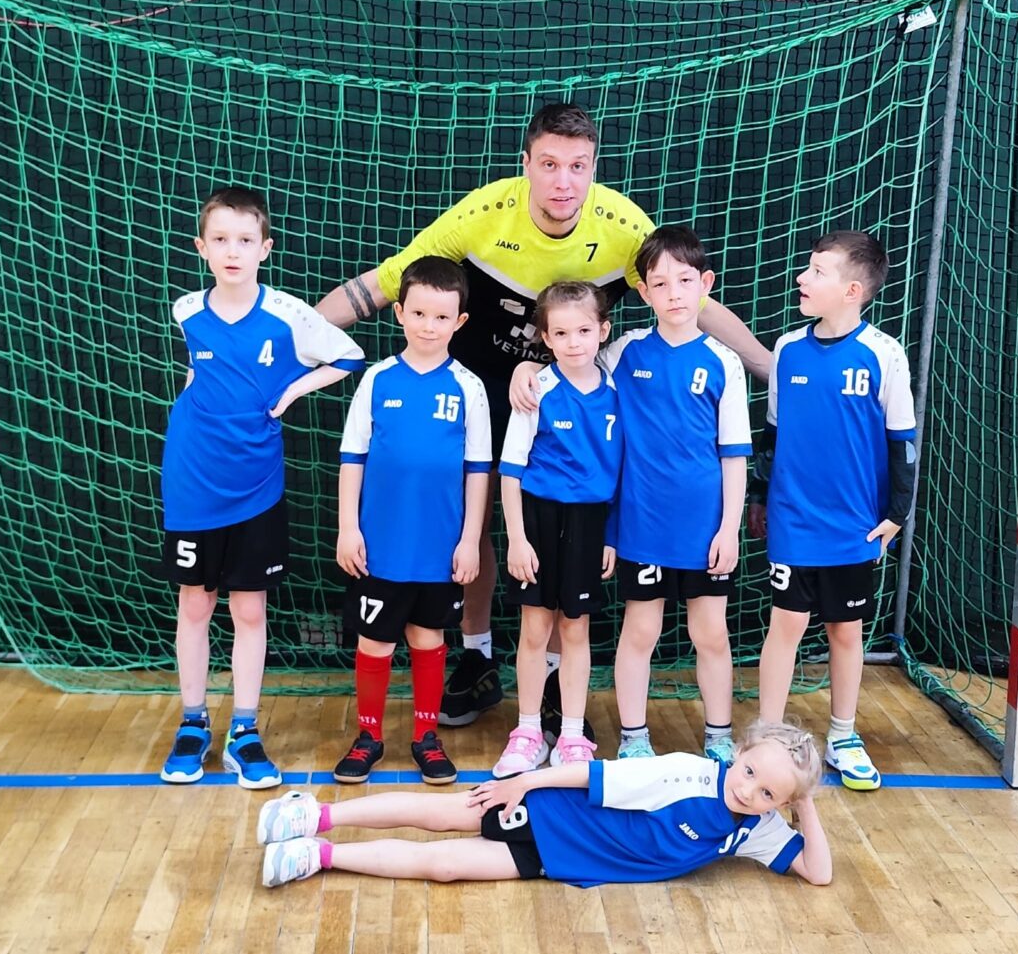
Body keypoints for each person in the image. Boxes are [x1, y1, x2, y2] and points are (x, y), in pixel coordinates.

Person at [313, 103, 772, 729]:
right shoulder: (481, 214)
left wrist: (768, 369)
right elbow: (384, 285)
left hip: (569, 391)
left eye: (578, 166)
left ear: (594, 169)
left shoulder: (623, 227)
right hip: (482, 387)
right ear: (525, 164)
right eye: (550, 165)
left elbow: (691, 302)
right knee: (472, 527)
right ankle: (477, 658)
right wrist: (292, 346)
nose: (563, 181)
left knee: (561, 530)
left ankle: (556, 680)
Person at [157, 187, 364, 788]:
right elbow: (199, 370)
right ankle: (193, 723)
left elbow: (348, 355)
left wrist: (292, 390)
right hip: (193, 479)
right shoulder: (185, 310)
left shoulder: (288, 314)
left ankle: (244, 731)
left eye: (245, 240)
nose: (232, 251)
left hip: (256, 484)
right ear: (201, 248)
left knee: (249, 608)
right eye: (220, 240)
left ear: (265, 249)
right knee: (195, 603)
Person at [253, 720, 833, 889]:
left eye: (768, 793)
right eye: (750, 771)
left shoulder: (756, 828)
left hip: (558, 860)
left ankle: (319, 855)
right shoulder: (687, 773)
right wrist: (524, 783)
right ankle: (317, 814)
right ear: (739, 753)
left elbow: (818, 872)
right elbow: (593, 774)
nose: (748, 791)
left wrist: (804, 803)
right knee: (440, 814)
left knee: (444, 866)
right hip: (551, 809)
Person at [749, 232, 918, 792]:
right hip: (793, 520)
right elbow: (772, 435)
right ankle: (769, 736)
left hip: (853, 525)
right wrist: (758, 497)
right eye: (807, 268)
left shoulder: (884, 353)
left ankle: (843, 736)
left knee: (846, 631)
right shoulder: (787, 348)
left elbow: (902, 442)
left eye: (817, 271)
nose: (802, 278)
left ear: (852, 290)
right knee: (786, 625)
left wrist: (897, 512)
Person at [331, 258, 491, 785]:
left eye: (441, 317)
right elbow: (352, 459)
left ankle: (426, 736)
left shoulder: (468, 387)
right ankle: (368, 737)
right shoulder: (377, 379)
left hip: (440, 548)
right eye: (419, 313)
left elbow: (477, 471)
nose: (428, 325)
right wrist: (348, 528)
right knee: (374, 642)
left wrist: (469, 540)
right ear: (399, 312)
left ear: (459, 322)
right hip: (379, 546)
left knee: (427, 638)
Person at [604, 227, 752, 762]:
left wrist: (729, 530)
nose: (673, 293)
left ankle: (718, 736)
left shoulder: (723, 361)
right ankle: (633, 738)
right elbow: (571, 367)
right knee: (640, 631)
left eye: (685, 281)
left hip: (704, 529)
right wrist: (530, 368)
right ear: (644, 292)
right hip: (641, 525)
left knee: (710, 633)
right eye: (660, 284)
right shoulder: (622, 353)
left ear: (705, 284)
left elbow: (733, 455)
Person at [491, 282, 622, 777]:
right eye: (561, 333)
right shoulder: (537, 390)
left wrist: (611, 536)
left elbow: (623, 474)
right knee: (535, 628)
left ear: (602, 331)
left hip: (590, 522)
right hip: (538, 519)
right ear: (545, 337)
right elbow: (510, 471)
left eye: (583, 331)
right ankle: (526, 732)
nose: (573, 342)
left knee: (575, 629)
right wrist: (517, 539)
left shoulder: (617, 390)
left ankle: (570, 735)